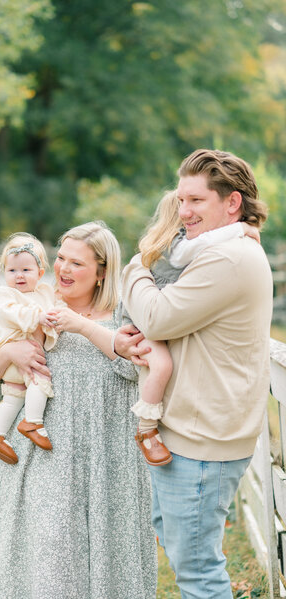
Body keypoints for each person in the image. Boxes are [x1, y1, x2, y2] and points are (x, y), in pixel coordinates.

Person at [0, 222, 157, 599]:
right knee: (48, 557)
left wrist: (82, 326)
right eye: (61, 259)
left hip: (106, 462)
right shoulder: (30, 305)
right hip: (41, 460)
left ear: (102, 271)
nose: (64, 270)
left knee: (105, 560)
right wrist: (8, 353)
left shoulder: (126, 313)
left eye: (77, 264)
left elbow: (136, 368)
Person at [118, 149, 273, 599]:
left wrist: (136, 264)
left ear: (232, 203)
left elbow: (160, 318)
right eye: (181, 200)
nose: (183, 212)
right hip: (189, 429)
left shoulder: (227, 259)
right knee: (177, 542)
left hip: (207, 438)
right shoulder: (207, 252)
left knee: (199, 572)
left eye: (196, 201)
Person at [130, 189, 261, 467]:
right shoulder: (174, 247)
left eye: (195, 202)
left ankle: (148, 426)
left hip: (149, 309)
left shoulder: (188, 248)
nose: (186, 214)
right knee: (162, 365)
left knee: (160, 364)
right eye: (181, 207)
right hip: (139, 316)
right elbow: (155, 319)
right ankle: (146, 428)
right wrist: (239, 229)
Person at [0, 232, 62, 464]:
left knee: (12, 398)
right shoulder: (7, 295)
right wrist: (39, 316)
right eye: (12, 271)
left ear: (40, 273)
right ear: (4, 273)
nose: (18, 276)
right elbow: (13, 313)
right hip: (13, 359)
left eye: (26, 270)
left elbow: (53, 312)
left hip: (19, 362)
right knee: (39, 380)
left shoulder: (43, 293)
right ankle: (33, 422)